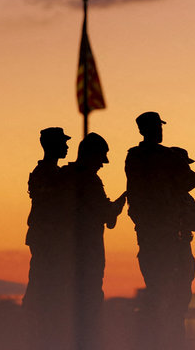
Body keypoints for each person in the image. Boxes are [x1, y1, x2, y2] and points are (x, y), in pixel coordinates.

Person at [125, 112, 195, 350]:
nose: (160, 131)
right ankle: (170, 341)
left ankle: (158, 340)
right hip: (170, 236)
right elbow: (191, 180)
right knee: (176, 297)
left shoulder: (133, 157)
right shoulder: (166, 156)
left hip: (149, 234)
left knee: (158, 292)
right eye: (157, 127)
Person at [60, 132, 126, 350]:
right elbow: (107, 215)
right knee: (88, 308)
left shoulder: (65, 175)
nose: (103, 164)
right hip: (86, 253)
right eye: (101, 157)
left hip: (66, 254)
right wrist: (124, 199)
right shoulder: (88, 179)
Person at [23, 127, 72, 350]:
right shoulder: (47, 174)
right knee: (45, 289)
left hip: (49, 237)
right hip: (48, 239)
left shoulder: (51, 173)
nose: (67, 146)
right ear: (52, 145)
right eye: (63, 142)